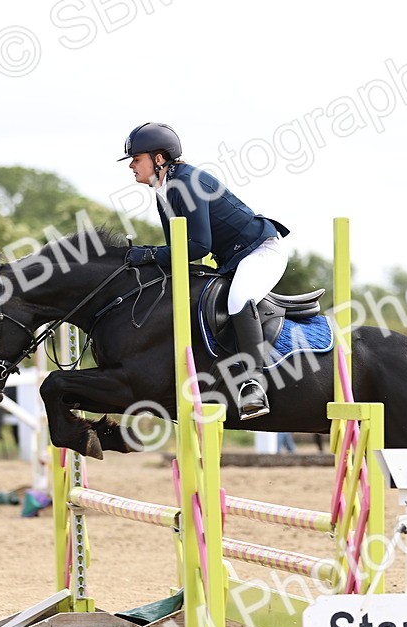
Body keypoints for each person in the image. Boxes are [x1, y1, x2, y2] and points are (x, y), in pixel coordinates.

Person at [119, 122, 290, 420]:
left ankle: (253, 384)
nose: (132, 165)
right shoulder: (163, 190)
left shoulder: (185, 183)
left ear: (159, 158)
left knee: (239, 298)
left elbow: (197, 246)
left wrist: (146, 254)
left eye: (136, 158)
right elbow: (176, 251)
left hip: (261, 250)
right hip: (232, 260)